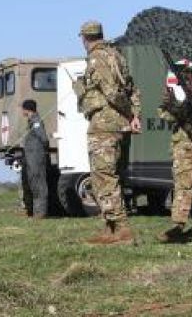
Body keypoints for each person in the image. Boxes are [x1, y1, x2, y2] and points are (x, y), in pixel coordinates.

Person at [73, 20, 141, 245]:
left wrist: (130, 114)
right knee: (113, 176)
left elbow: (112, 93)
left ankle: (121, 229)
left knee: (103, 177)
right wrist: (135, 115)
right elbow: (133, 89)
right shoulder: (117, 56)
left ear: (85, 38)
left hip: (105, 125)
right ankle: (109, 228)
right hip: (119, 126)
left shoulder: (97, 58)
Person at [157, 64, 192, 243]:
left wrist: (168, 103)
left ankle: (177, 226)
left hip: (189, 150)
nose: (183, 84)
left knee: (184, 187)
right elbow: (177, 115)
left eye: (186, 81)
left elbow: (179, 114)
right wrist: (169, 105)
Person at [21, 99, 50, 219]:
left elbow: (44, 138)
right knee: (33, 184)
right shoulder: (31, 122)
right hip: (31, 158)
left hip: (36, 158)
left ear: (27, 109)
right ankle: (35, 212)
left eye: (23, 109)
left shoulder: (36, 121)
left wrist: (42, 151)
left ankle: (40, 213)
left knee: (39, 184)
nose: (22, 111)